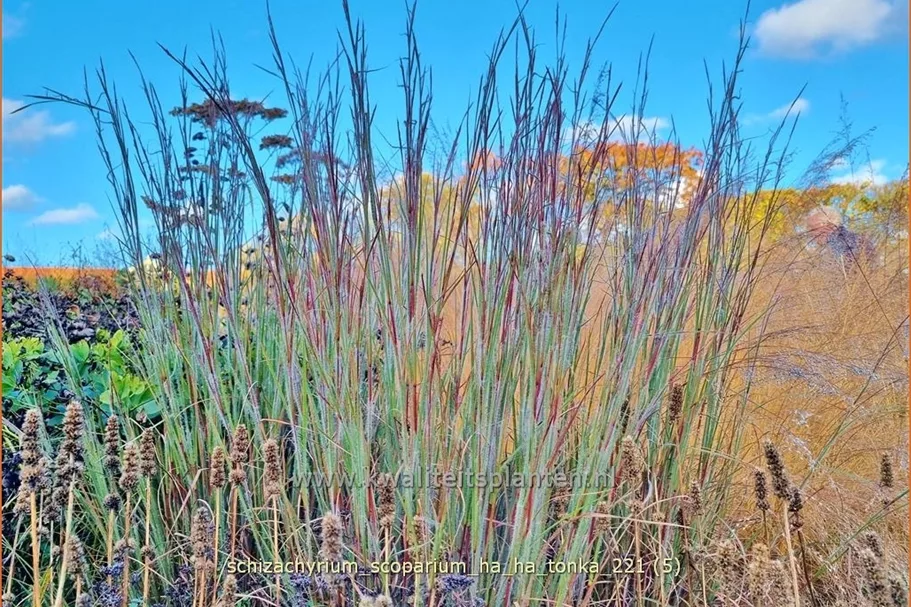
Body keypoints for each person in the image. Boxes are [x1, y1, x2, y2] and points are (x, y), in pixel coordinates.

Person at [804, 206, 876, 270]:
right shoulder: (856, 238)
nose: (810, 233)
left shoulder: (838, 242)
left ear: (828, 225)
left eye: (812, 227)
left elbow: (839, 274)